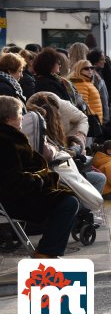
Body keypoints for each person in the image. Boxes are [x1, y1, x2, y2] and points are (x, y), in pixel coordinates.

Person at [0, 95, 79, 258]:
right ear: (9, 118)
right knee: (68, 203)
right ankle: (46, 253)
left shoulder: (10, 135)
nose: (22, 117)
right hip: (16, 198)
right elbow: (11, 179)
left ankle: (48, 250)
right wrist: (40, 179)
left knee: (68, 197)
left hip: (21, 193)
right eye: (20, 114)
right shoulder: (5, 141)